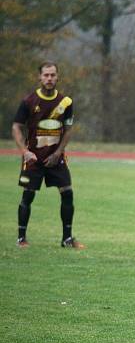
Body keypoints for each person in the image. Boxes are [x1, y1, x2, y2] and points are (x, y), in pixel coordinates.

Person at [12, 61, 84, 249]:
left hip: (56, 158)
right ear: (40, 77)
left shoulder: (65, 102)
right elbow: (16, 127)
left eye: (52, 75)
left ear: (57, 77)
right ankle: (21, 238)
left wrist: (58, 152)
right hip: (33, 159)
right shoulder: (28, 101)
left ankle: (67, 239)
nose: (49, 78)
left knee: (67, 193)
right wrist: (24, 151)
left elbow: (68, 130)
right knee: (28, 195)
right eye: (46, 75)